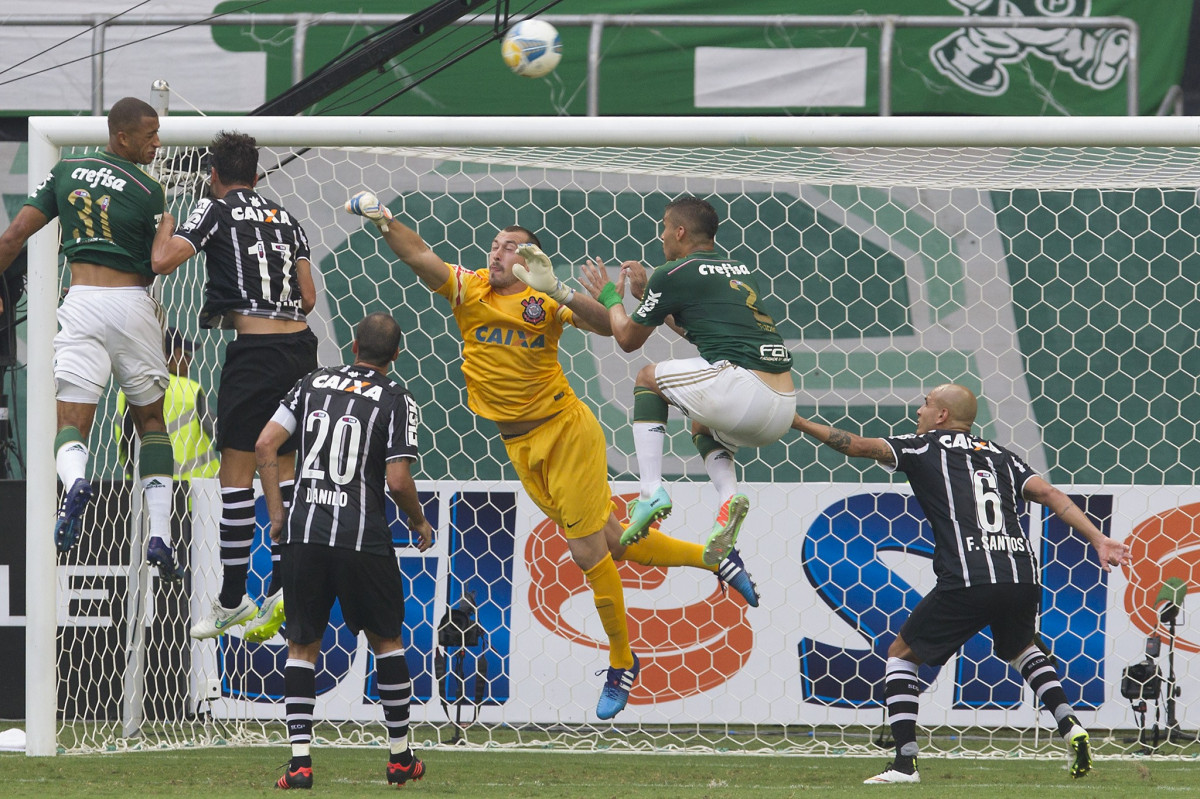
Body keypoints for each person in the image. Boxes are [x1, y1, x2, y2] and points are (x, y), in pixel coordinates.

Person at [345, 190, 760, 720]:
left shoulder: (542, 300)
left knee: (587, 552)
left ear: (530, 261)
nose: (496, 253)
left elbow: (603, 325)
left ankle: (622, 661)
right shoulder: (468, 290)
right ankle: (713, 557)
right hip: (519, 445)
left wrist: (557, 287)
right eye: (494, 245)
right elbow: (419, 255)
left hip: (565, 432)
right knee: (615, 543)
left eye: (510, 247)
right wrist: (384, 219)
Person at [790, 384, 1132, 784]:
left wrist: (797, 422)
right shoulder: (1002, 455)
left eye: (926, 404)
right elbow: (1052, 494)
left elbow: (857, 446)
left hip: (971, 577)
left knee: (901, 653)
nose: (918, 411)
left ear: (941, 417)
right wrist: (1098, 537)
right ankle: (1070, 725)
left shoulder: (923, 446)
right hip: (1021, 575)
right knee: (1021, 648)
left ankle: (904, 764)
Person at [0, 96, 182, 580]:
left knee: (71, 420)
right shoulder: (150, 191)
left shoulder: (65, 171)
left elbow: (13, 236)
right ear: (122, 136)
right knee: (151, 423)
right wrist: (166, 227)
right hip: (132, 307)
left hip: (80, 302)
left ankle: (76, 484)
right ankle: (160, 533)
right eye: (150, 135)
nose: (157, 143)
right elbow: (156, 262)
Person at [151, 131, 318, 642]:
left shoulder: (214, 209)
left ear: (214, 176)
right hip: (301, 350)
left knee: (237, 474)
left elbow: (162, 261)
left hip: (256, 355)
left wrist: (165, 219)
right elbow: (308, 298)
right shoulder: (287, 219)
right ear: (257, 173)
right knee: (285, 469)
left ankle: (230, 599)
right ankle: (287, 585)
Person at [256, 312, 432, 789]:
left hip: (305, 533)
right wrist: (418, 521)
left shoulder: (311, 383)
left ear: (353, 347)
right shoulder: (397, 398)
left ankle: (299, 764)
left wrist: (277, 513)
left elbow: (266, 443)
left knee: (301, 645)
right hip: (363, 537)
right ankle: (399, 757)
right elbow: (397, 479)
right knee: (385, 641)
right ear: (396, 356)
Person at [591, 195, 796, 566]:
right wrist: (648, 299)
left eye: (666, 228)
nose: (663, 237)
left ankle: (651, 490)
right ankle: (727, 498)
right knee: (702, 420)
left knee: (647, 377)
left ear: (681, 231)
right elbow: (702, 335)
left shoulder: (672, 274)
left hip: (743, 391)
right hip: (780, 406)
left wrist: (612, 300)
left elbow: (626, 339)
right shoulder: (739, 269)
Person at [117, 328, 219, 482]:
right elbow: (216, 430)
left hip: (142, 488)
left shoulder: (125, 391)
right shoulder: (188, 390)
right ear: (165, 356)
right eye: (183, 354)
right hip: (193, 494)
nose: (189, 359)